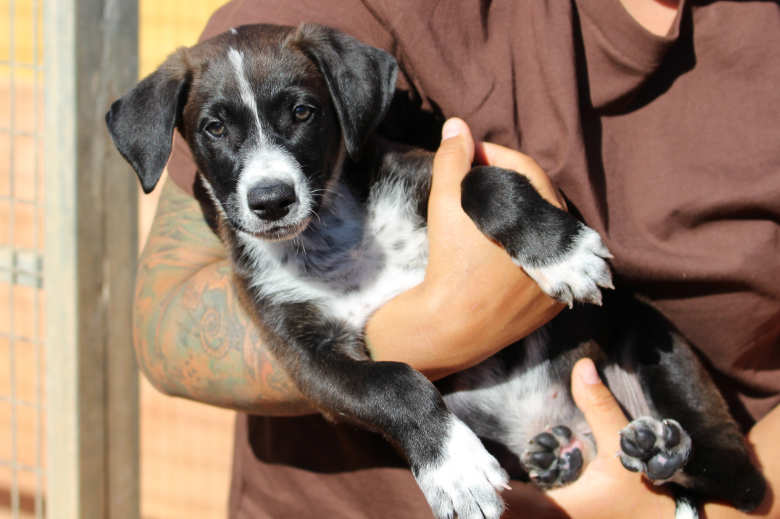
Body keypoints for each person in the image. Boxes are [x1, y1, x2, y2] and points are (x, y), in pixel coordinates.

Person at [132, 1, 780, 517]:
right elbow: (167, 317)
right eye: (217, 129)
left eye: (300, 112)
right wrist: (443, 325)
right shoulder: (310, 26)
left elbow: (473, 185)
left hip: (660, 424)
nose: (266, 177)